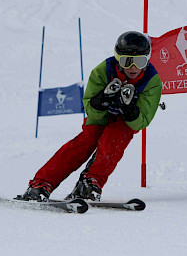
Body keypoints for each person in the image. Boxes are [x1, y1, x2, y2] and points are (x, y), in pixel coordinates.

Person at [16, 31, 162, 202]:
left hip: (125, 123)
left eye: (140, 61)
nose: (133, 67)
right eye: (127, 61)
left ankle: (90, 183)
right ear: (118, 59)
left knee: (114, 140)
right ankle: (40, 184)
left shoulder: (152, 81)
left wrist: (129, 109)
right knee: (83, 144)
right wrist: (102, 99)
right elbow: (90, 110)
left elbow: (142, 121)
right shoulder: (103, 71)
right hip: (99, 119)